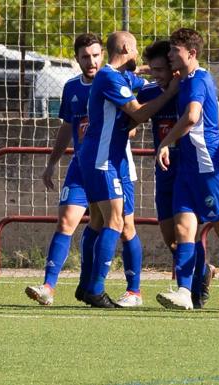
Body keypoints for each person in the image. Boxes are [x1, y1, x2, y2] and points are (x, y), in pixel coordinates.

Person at [24, 33, 143, 308]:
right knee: (67, 221)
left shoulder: (117, 79)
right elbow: (67, 127)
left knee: (124, 226)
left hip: (113, 163)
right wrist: (53, 162)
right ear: (77, 59)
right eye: (85, 57)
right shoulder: (72, 88)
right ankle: (49, 287)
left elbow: (135, 120)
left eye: (95, 55)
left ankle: (132, 290)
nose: (91, 61)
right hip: (82, 165)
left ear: (103, 54)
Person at [155, 28, 219, 310]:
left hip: (208, 171)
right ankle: (184, 292)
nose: (169, 56)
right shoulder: (188, 80)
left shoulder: (199, 80)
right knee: (183, 229)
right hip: (188, 171)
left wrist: (166, 142)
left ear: (191, 53)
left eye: (174, 51)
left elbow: (192, 116)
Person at [78, 31, 179, 308]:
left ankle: (94, 285)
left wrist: (167, 72)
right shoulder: (108, 76)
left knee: (104, 222)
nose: (137, 54)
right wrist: (171, 91)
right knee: (114, 222)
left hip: (115, 159)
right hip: (102, 159)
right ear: (125, 47)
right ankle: (95, 289)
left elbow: (144, 78)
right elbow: (139, 112)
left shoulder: (122, 76)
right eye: (134, 49)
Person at [137, 40, 216, 309]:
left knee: (185, 232)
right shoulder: (153, 92)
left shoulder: (191, 87)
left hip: (188, 168)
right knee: (170, 237)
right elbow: (131, 110)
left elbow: (211, 120)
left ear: (174, 68)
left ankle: (190, 289)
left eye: (161, 69)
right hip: (164, 171)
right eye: (153, 70)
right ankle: (203, 269)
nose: (156, 74)